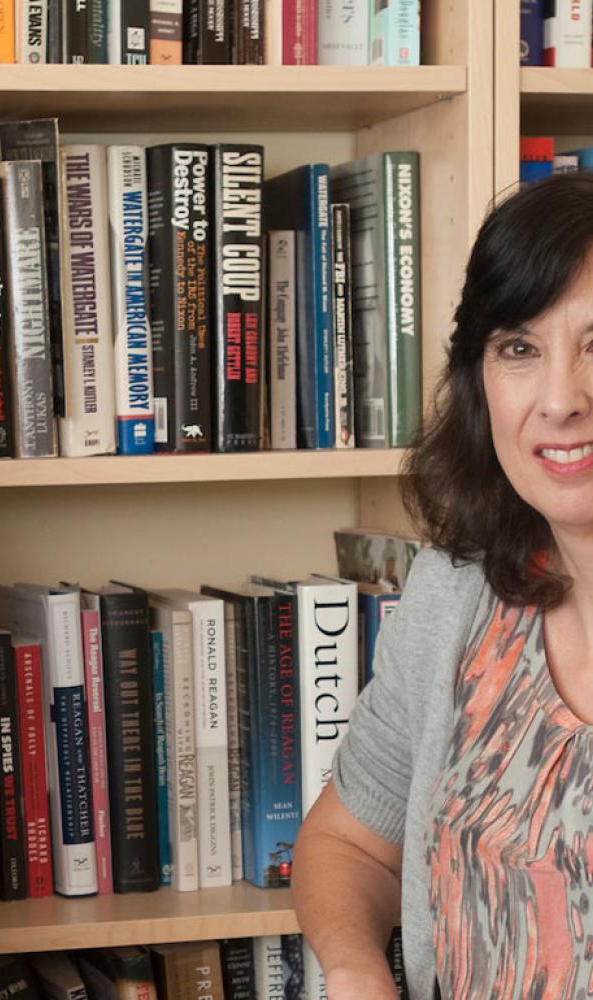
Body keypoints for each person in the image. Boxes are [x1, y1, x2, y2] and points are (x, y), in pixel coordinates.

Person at [294, 171, 593, 1000]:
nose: (561, 399)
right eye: (519, 349)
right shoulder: (453, 592)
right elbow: (349, 846)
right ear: (477, 380)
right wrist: (356, 971)